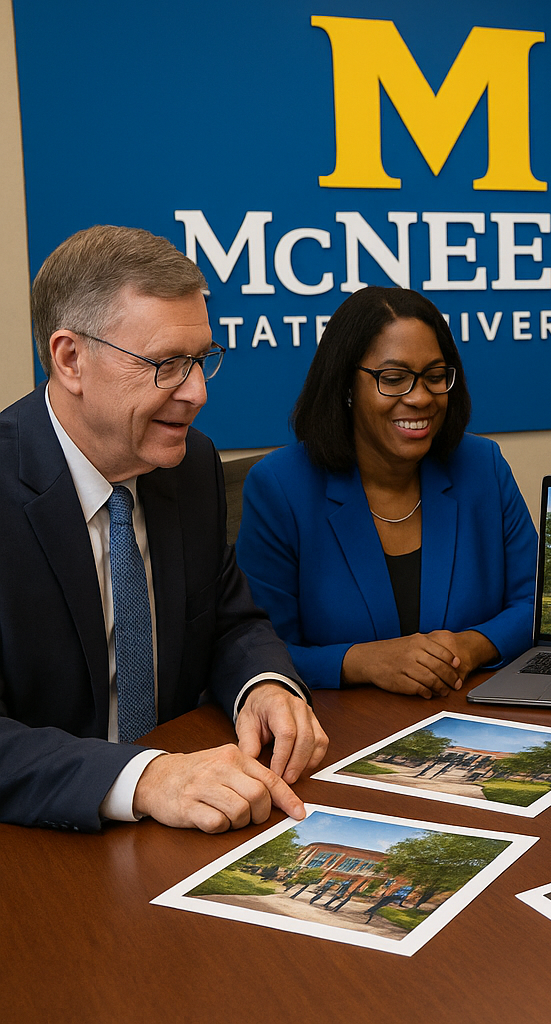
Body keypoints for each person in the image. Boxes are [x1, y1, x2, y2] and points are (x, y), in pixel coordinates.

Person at [0, 225, 328, 833]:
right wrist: (143, 777)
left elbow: (229, 620)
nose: (198, 392)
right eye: (166, 365)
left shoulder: (189, 465)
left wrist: (265, 685)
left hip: (184, 835)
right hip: (41, 849)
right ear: (70, 358)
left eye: (201, 360)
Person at [237, 287, 537, 698]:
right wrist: (364, 660)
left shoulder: (482, 465)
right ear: (346, 385)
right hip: (341, 730)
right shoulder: (279, 486)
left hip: (471, 712)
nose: (420, 398)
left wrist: (470, 647)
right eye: (393, 379)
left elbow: (536, 603)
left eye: (435, 376)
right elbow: (255, 651)